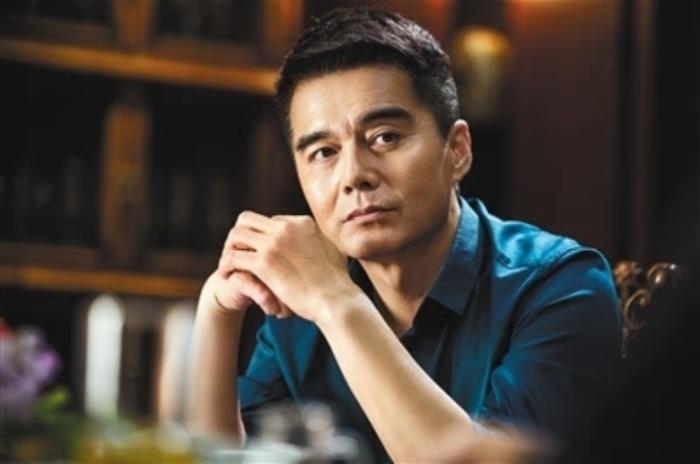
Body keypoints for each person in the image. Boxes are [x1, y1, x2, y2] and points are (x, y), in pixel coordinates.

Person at [186, 8, 621, 462]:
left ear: (457, 150)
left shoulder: (563, 286)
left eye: (385, 137)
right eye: (324, 152)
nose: (353, 175)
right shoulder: (300, 303)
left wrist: (338, 303)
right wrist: (218, 311)